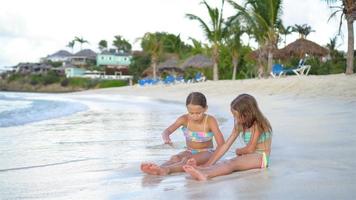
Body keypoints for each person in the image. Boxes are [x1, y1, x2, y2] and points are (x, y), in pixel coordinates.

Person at [183, 94, 272, 181]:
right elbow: (226, 145)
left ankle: (206, 174)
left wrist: (239, 151)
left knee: (231, 163)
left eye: (236, 115)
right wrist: (208, 163)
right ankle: (203, 169)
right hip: (250, 156)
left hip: (261, 158)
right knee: (224, 162)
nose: (235, 118)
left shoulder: (257, 125)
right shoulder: (240, 124)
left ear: (247, 113)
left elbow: (250, 149)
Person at [141, 92, 225, 175]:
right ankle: (157, 168)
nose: (195, 116)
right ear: (187, 109)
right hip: (190, 150)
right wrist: (166, 138)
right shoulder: (184, 119)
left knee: (187, 160)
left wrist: (210, 163)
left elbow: (221, 144)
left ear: (205, 108)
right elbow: (167, 131)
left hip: (206, 152)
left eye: (198, 113)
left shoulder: (210, 121)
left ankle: (166, 170)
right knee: (175, 158)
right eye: (191, 113)